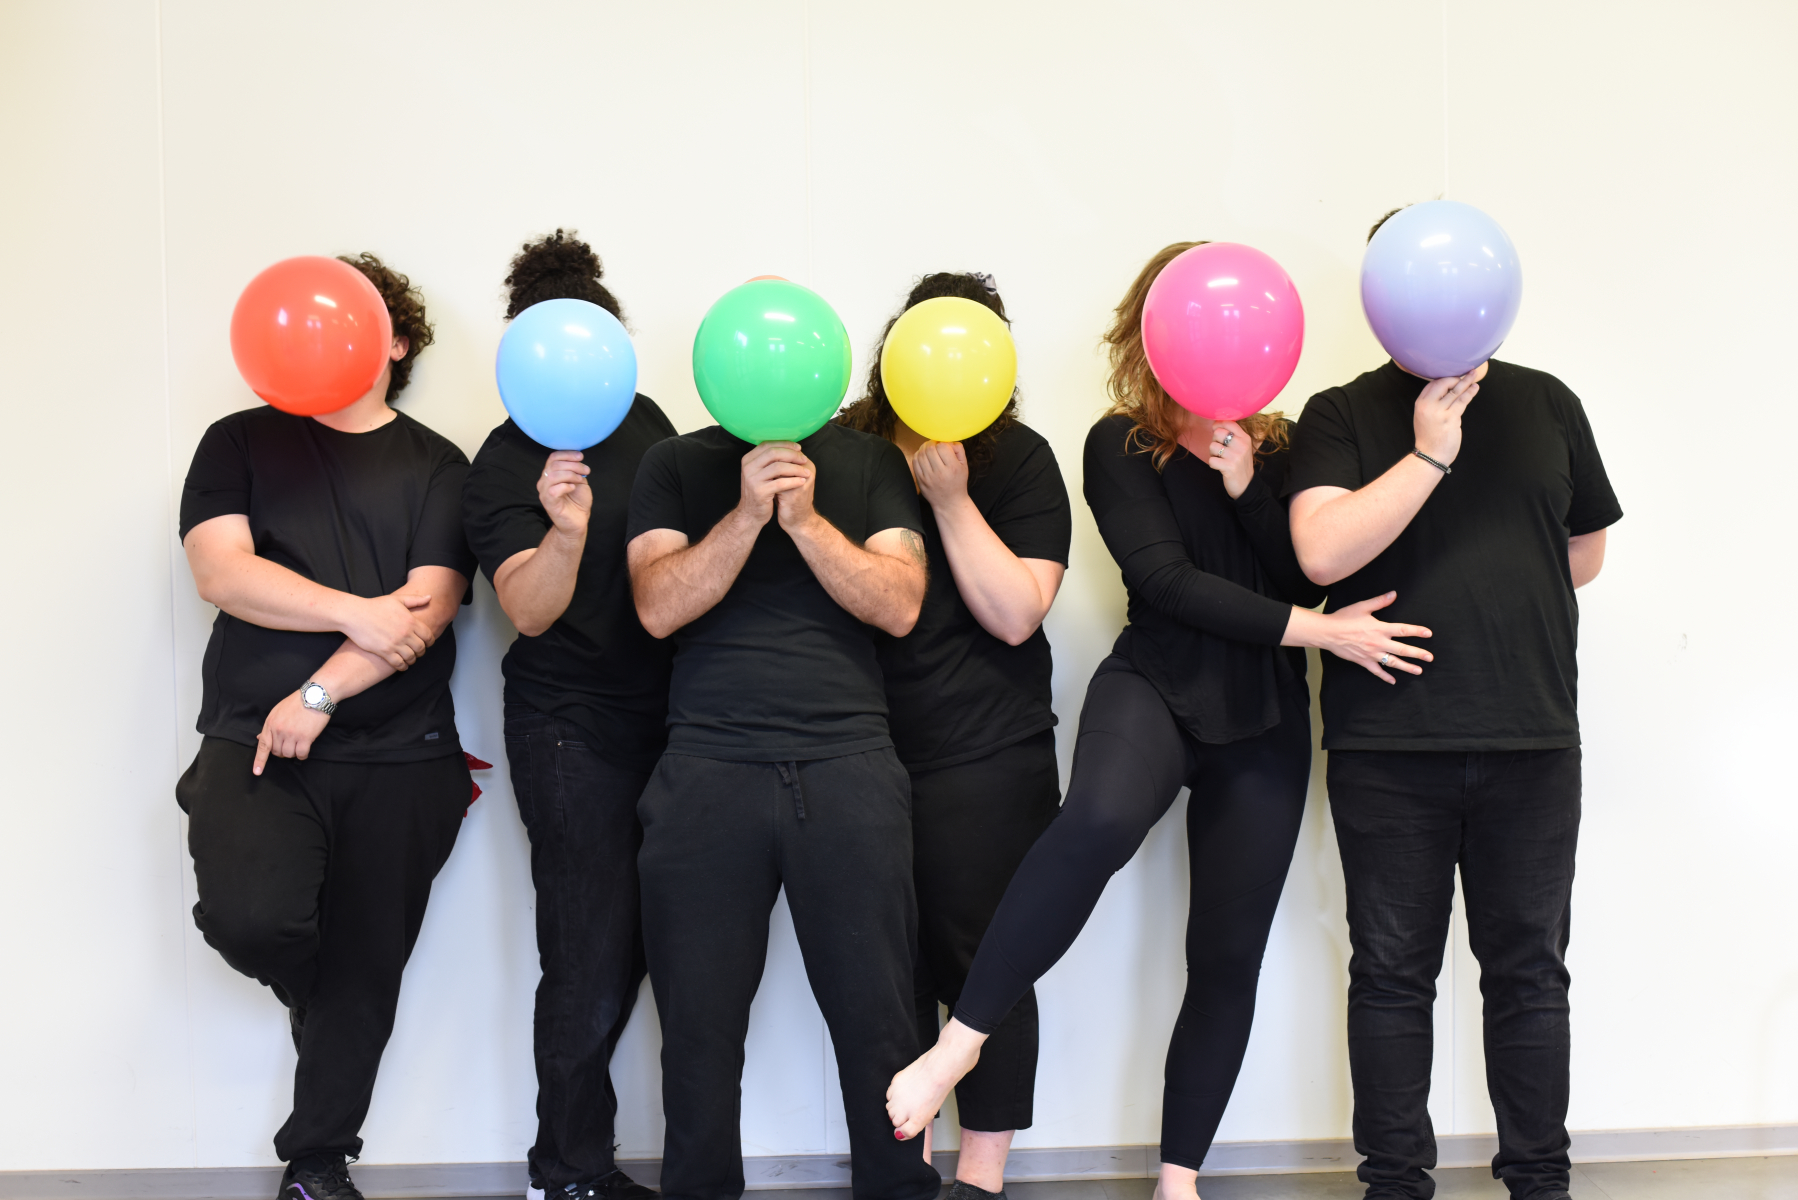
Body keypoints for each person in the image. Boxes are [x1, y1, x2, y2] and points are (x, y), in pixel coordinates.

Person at [886, 243, 1436, 1200]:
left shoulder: (1282, 446)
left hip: (1262, 711)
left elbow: (1303, 572)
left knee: (1226, 953)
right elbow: (1168, 582)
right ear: (1153, 335)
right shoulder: (1118, 444)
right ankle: (957, 1047)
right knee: (1093, 823)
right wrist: (1321, 635)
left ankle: (1177, 1180)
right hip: (1155, 682)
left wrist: (1247, 487)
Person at [1283, 208, 1622, 1200]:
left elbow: (1582, 551)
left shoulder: (1548, 402)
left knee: (1530, 974)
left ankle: (1539, 1182)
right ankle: (1394, 1185)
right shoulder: (1339, 414)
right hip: (1389, 747)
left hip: (1531, 739)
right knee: (1392, 975)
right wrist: (1429, 453)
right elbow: (1320, 553)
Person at [177, 254, 475, 1200]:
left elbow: (428, 609)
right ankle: (321, 998)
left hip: (402, 754)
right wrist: (356, 612)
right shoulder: (238, 441)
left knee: (368, 965)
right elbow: (222, 572)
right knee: (251, 922)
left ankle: (316, 1164)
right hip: (252, 740)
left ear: (397, 342)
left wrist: (317, 695)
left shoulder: (439, 463)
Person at [625, 388, 939, 1200]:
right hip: (705, 769)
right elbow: (656, 609)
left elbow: (901, 606)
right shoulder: (673, 463)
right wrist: (745, 515)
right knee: (698, 1032)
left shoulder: (870, 461)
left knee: (880, 1022)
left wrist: (802, 521)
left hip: (848, 765)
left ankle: (899, 1191)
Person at [834, 272, 1071, 1200]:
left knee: (986, 962)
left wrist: (951, 498)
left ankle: (980, 1184)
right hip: (860, 747)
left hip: (989, 752)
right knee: (883, 970)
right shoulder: (845, 445)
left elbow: (1017, 614)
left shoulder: (1020, 458)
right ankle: (904, 1176)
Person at [461, 230, 675, 1200]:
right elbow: (530, 609)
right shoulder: (504, 462)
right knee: (585, 948)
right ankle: (569, 1170)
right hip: (567, 728)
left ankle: (583, 1158)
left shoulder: (649, 423)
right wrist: (566, 529)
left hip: (671, 720)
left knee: (654, 943)